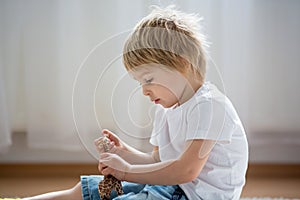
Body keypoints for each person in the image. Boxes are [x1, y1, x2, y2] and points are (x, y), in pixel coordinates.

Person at [24, 5, 248, 200]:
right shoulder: (166, 108)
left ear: (182, 64)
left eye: (148, 79)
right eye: (139, 82)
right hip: (171, 187)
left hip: (193, 195)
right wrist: (125, 153)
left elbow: (186, 170)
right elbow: (157, 160)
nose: (144, 91)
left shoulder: (210, 106)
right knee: (91, 190)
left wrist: (127, 171)